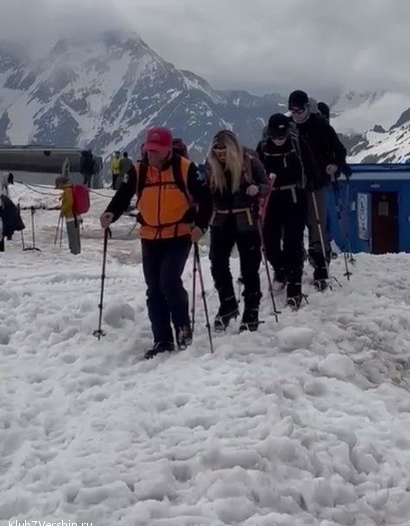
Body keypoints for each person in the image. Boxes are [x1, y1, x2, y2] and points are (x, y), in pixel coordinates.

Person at [100, 127, 210, 359]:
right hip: (150, 237)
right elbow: (123, 195)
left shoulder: (185, 168)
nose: (152, 154)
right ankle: (162, 339)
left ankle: (182, 329)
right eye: (149, 150)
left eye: (157, 150)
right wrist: (110, 213)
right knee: (154, 289)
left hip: (179, 235)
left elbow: (206, 200)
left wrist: (201, 226)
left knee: (169, 281)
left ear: (168, 150)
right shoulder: (138, 170)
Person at [204, 129, 270, 332]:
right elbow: (205, 191)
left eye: (224, 150)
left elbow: (266, 185)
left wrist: (257, 188)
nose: (220, 155)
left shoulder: (250, 161)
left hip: (246, 218)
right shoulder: (211, 165)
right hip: (221, 219)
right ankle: (228, 303)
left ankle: (251, 309)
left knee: (249, 267)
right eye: (217, 151)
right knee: (217, 263)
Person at [256, 113, 319, 308]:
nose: (278, 140)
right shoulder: (263, 148)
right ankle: (281, 269)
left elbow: (310, 166)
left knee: (293, 243)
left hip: (294, 198)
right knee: (269, 242)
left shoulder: (297, 144)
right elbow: (254, 171)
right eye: (275, 136)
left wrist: (311, 183)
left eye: (281, 136)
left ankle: (294, 287)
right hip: (271, 199)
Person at [287, 90, 347, 289]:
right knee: (294, 226)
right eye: (293, 111)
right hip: (294, 186)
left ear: (307, 108)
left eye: (300, 110)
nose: (296, 114)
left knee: (317, 223)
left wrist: (335, 165)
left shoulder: (320, 125)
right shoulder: (288, 128)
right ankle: (297, 262)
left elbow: (339, 150)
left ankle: (320, 264)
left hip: (317, 183)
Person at [55, 176, 81, 255]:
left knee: (72, 236)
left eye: (58, 184)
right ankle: (77, 252)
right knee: (76, 236)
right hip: (76, 215)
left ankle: (74, 253)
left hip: (71, 216)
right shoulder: (70, 188)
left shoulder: (68, 190)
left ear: (61, 183)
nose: (57, 186)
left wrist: (63, 211)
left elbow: (70, 202)